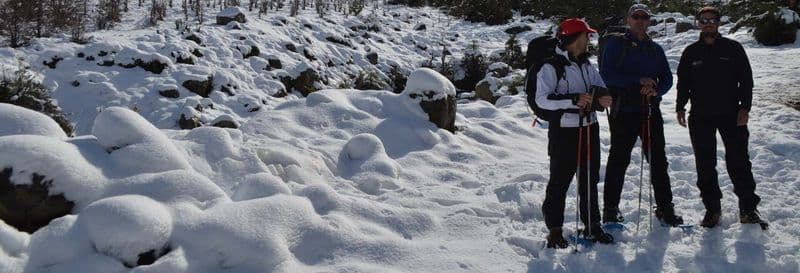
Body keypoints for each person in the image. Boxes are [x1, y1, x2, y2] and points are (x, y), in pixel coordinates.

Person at [676, 6, 768, 229]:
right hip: (700, 116)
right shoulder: (691, 52)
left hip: (732, 114)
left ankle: (748, 208)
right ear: (698, 23)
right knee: (705, 164)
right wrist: (680, 107)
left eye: (712, 20)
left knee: (739, 162)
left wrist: (745, 108)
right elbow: (684, 82)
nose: (708, 23)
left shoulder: (733, 48)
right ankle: (712, 208)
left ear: (719, 23)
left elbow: (746, 81)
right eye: (704, 20)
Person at [599, 3, 684, 226]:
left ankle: (665, 207)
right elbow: (607, 75)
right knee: (619, 159)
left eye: (644, 17)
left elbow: (667, 79)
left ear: (649, 21)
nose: (640, 21)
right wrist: (638, 82)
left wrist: (656, 89)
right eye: (636, 17)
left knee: (658, 160)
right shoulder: (615, 44)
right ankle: (610, 209)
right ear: (629, 19)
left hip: (648, 110)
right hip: (623, 110)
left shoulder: (655, 49)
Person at [537, 18, 614, 248]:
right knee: (559, 182)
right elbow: (542, 100)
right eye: (585, 36)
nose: (588, 40)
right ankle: (555, 230)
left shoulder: (587, 65)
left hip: (589, 128)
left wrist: (603, 98)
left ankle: (592, 225)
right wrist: (572, 100)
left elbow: (600, 87)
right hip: (564, 133)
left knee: (589, 180)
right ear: (573, 38)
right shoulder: (551, 67)